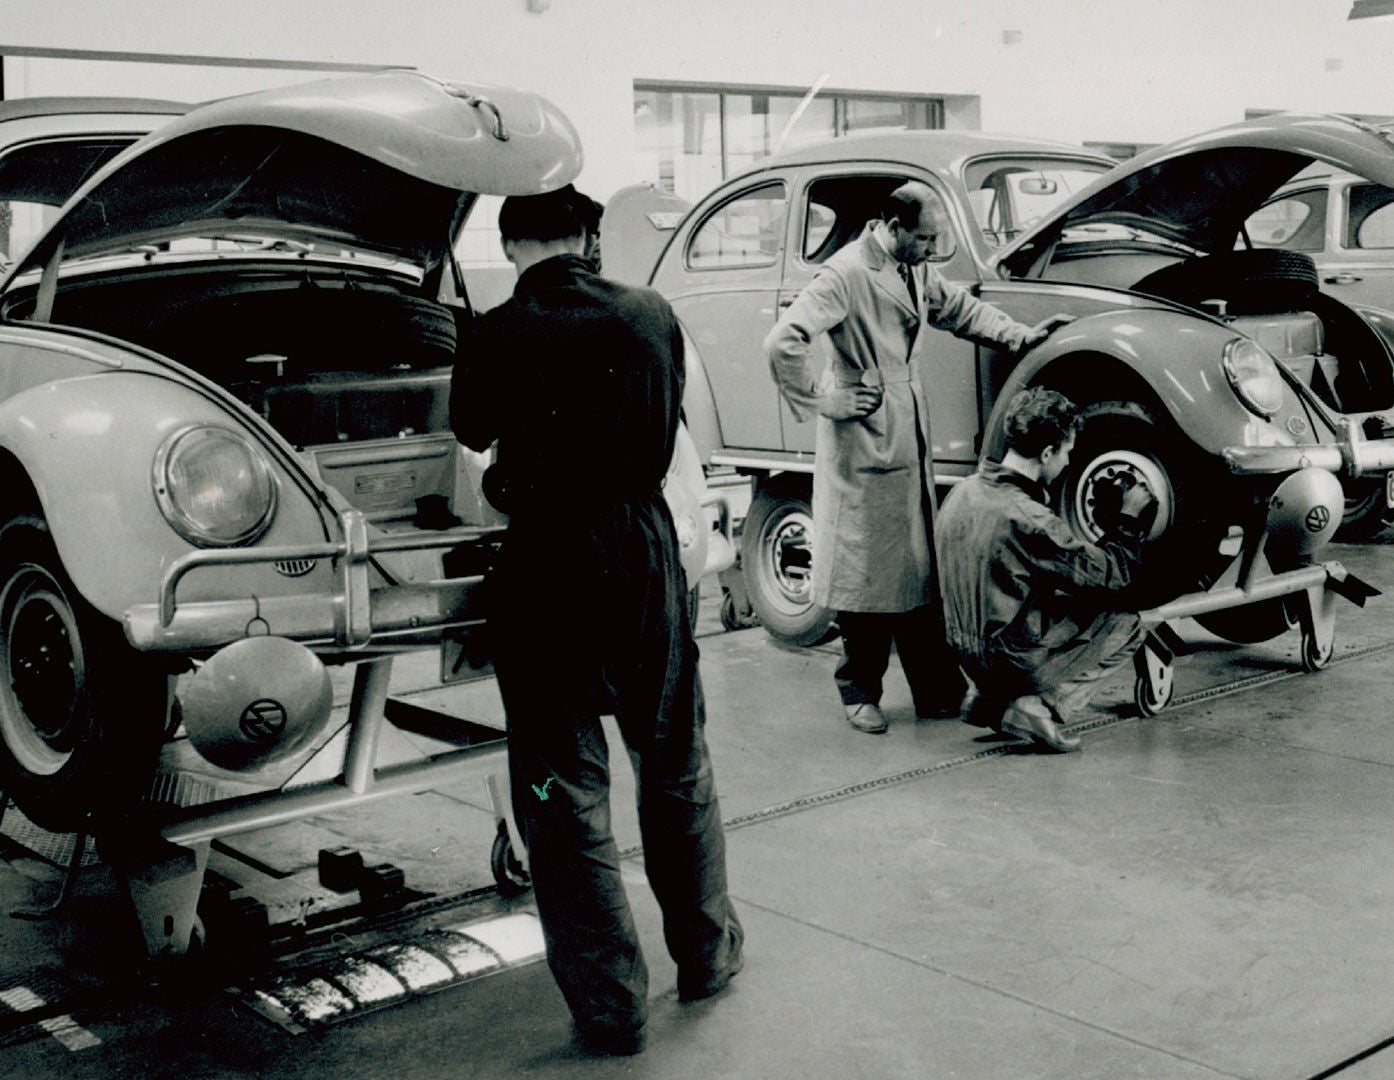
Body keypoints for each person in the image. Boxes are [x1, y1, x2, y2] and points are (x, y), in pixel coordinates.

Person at [451, 185, 743, 1056]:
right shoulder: (652, 314)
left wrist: (515, 480)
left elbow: (472, 429)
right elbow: (661, 428)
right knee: (675, 760)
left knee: (560, 789)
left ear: (511, 246)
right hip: (643, 558)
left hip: (546, 566)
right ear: (589, 237)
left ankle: (613, 1009)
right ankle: (706, 955)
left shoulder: (495, 331)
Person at [764, 181, 1073, 735]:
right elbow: (782, 340)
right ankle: (859, 691)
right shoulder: (846, 273)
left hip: (905, 427)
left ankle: (937, 689)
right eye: (926, 239)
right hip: (865, 434)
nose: (934, 251)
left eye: (938, 241)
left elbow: (956, 308)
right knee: (866, 577)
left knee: (916, 570)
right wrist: (823, 400)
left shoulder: (914, 266)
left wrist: (1018, 335)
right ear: (894, 226)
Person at [934, 387, 1154, 753]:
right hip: (1008, 658)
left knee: (1049, 600)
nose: (1069, 462)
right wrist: (1127, 520)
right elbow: (1113, 575)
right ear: (1048, 452)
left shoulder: (963, 491)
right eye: (1067, 452)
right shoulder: (1030, 518)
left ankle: (988, 698)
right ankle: (1036, 706)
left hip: (962, 650)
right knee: (1130, 622)